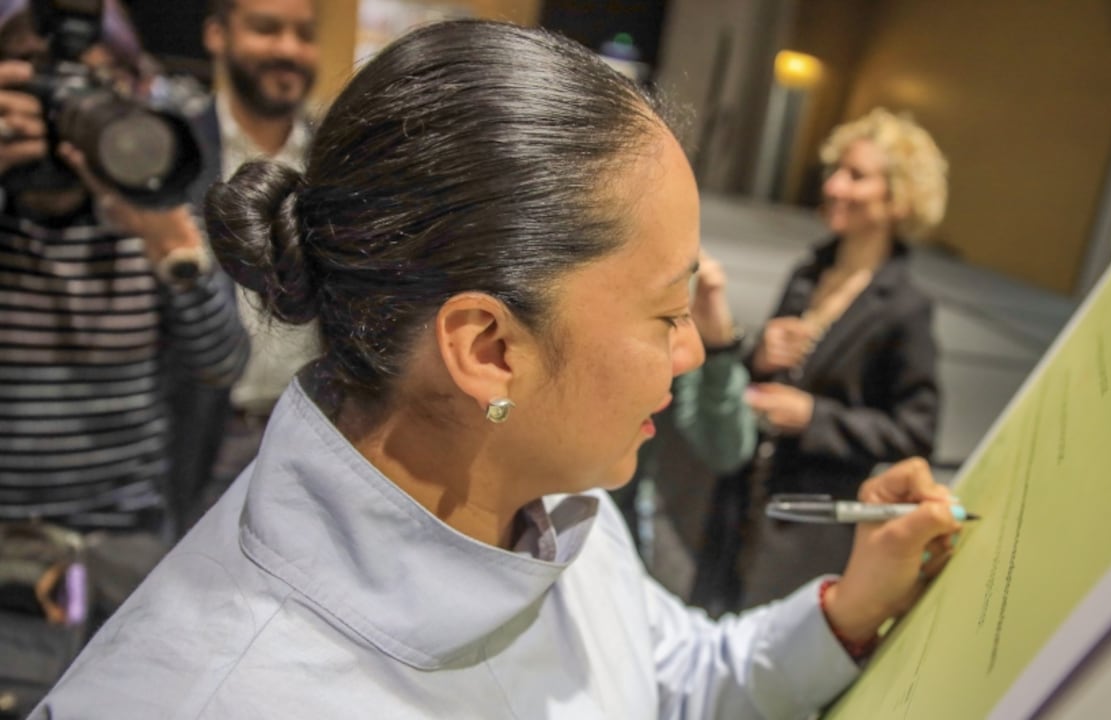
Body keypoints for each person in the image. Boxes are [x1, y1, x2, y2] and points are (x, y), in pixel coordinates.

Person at [33, 22, 961, 718]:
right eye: (669, 315)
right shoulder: (216, 693)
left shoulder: (549, 500)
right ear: (488, 350)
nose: (690, 355)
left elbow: (668, 675)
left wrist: (845, 611)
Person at [0, 0, 247, 539]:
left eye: (93, 84)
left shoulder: (148, 211)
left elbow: (222, 364)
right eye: (39, 82)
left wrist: (173, 248)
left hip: (121, 534)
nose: (66, 106)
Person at [733, 108, 948, 609]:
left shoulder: (904, 309)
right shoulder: (808, 272)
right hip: (746, 499)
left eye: (857, 176)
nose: (834, 186)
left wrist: (813, 417)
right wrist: (760, 355)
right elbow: (758, 376)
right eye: (835, 171)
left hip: (813, 527)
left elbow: (917, 433)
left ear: (898, 197)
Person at [168, 0, 320, 531]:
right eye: (266, 29)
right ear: (217, 34)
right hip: (196, 438)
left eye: (304, 34)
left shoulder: (333, 158)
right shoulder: (173, 150)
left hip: (309, 434)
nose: (288, 49)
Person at [614, 250, 756, 594]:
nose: (689, 353)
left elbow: (727, 451)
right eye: (666, 319)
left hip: (629, 539)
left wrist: (720, 348)